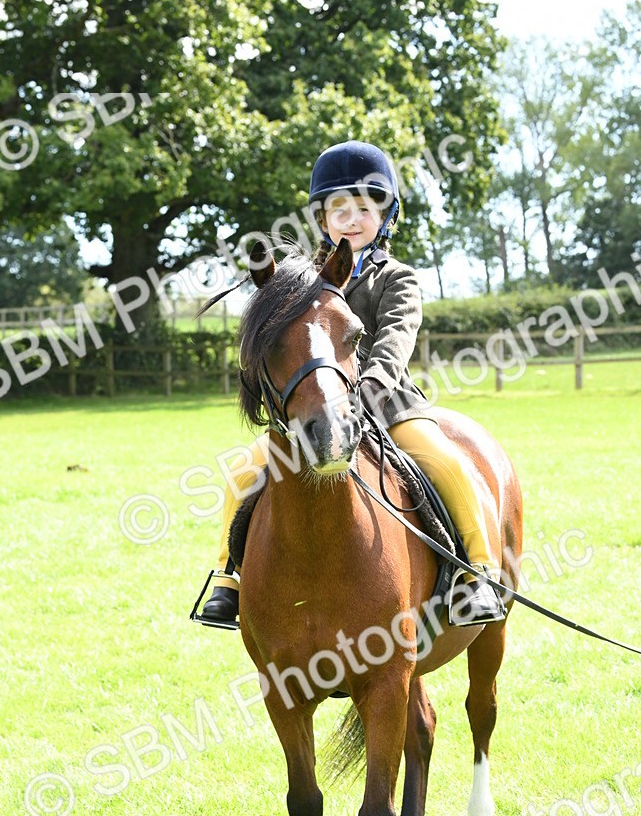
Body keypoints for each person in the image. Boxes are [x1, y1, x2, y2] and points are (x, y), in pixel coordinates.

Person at [198, 140, 505, 627]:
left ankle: (477, 573)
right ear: (322, 219)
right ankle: (226, 579)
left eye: (365, 207)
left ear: (385, 216)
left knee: (446, 462)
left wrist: (366, 390)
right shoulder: (300, 281)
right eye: (339, 209)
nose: (351, 219)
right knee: (242, 472)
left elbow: (395, 341)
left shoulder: (398, 278)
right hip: (313, 410)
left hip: (388, 403)